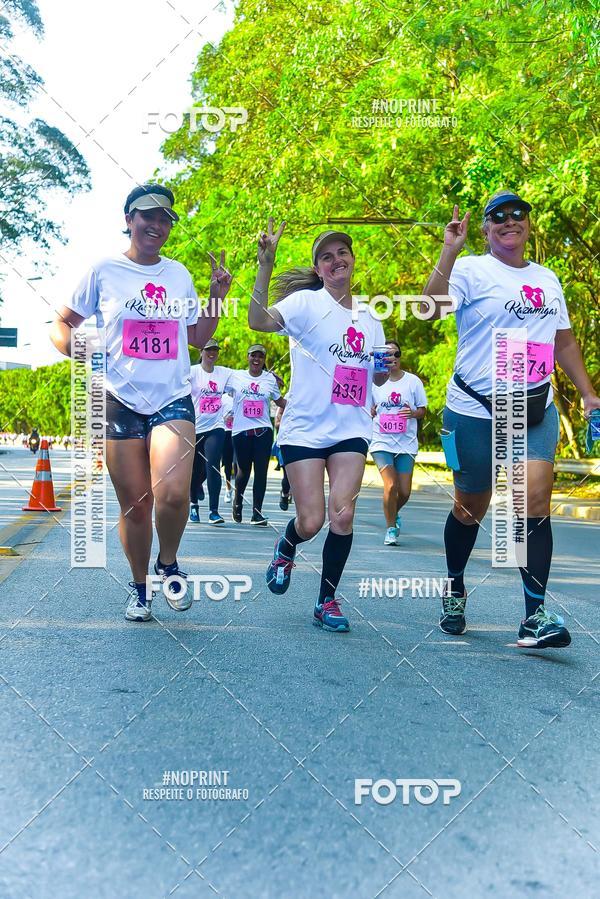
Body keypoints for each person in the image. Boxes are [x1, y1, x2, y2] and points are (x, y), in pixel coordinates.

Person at [423, 190, 600, 649]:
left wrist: (587, 393)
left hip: (532, 405)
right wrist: (449, 249)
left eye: (517, 214)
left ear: (527, 224)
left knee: (532, 500)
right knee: (469, 507)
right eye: (497, 216)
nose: (508, 221)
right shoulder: (469, 269)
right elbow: (430, 307)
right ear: (484, 228)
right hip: (474, 407)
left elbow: (562, 341)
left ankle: (534, 615)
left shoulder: (547, 278)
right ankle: (455, 588)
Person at [50, 183, 231, 622]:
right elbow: (63, 324)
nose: (157, 225)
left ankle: (168, 563)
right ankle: (139, 588)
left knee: (171, 495)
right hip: (119, 399)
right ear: (129, 220)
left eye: (165, 218)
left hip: (171, 397)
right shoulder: (103, 270)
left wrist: (216, 297)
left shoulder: (178, 275)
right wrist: (82, 355)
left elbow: (194, 337)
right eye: (147, 216)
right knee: (135, 504)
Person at [248, 221, 391, 632]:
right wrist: (266, 263)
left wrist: (382, 368)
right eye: (326, 257)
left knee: (342, 516)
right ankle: (288, 545)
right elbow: (258, 320)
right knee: (311, 521)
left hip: (351, 428)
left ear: (352, 260)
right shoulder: (303, 304)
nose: (335, 261)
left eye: (341, 253)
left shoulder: (371, 318)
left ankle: (327, 600)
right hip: (305, 428)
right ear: (319, 268)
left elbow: (376, 377)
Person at [370, 340, 427, 545]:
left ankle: (393, 514)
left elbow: (422, 410)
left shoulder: (413, 382)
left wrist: (412, 413)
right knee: (391, 484)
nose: (391, 358)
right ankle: (390, 528)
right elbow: (366, 409)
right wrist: (371, 410)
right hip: (381, 440)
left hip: (406, 442)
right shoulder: (374, 383)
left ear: (400, 357)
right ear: (381, 359)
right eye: (386, 355)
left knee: (404, 491)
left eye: (395, 354)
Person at [226, 344, 286, 525]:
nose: (256, 359)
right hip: (241, 432)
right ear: (248, 357)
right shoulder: (235, 376)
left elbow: (280, 401)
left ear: (264, 360)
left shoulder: (269, 379)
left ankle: (257, 513)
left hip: (263, 431)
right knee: (243, 471)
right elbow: (217, 385)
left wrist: (301, 407)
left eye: (260, 357)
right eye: (253, 356)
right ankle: (238, 502)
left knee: (261, 472)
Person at [189, 338, 232, 525]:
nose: (212, 353)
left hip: (216, 426)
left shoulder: (223, 373)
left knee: (213, 466)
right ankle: (193, 505)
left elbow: (246, 377)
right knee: (194, 468)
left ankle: (214, 511)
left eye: (215, 350)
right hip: (195, 427)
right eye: (208, 350)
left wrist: (268, 377)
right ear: (201, 352)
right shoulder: (192, 372)